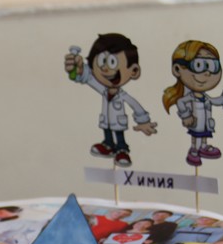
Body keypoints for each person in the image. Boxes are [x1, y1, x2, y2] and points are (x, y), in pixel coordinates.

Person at [65, 33, 158, 167]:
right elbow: (88, 78)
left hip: (118, 122)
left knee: (119, 135)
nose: (104, 68)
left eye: (112, 62)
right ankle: (108, 145)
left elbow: (134, 104)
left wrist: (143, 121)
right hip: (106, 120)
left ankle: (122, 149)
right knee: (107, 131)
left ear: (134, 71)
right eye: (101, 61)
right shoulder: (102, 89)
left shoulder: (123, 95)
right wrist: (79, 70)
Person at [162, 41, 223, 166]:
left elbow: (220, 100)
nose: (207, 73)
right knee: (196, 137)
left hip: (206, 125)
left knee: (203, 137)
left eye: (213, 66)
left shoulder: (206, 98)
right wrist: (186, 116)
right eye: (199, 65)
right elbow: (180, 102)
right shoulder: (190, 97)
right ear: (177, 69)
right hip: (195, 124)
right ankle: (194, 151)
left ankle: (203, 147)